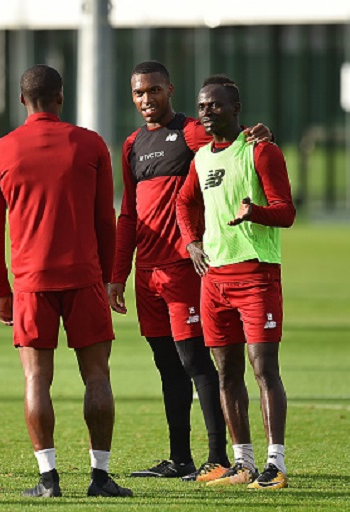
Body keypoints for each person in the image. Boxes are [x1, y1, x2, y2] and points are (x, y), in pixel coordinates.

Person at [108, 61, 270, 482]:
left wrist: (257, 136)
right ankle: (179, 457)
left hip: (184, 270)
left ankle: (217, 457)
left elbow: (230, 142)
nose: (147, 100)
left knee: (197, 363)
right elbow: (128, 214)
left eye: (154, 91)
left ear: (170, 90)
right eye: (139, 93)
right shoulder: (132, 145)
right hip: (147, 274)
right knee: (166, 366)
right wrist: (117, 274)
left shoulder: (192, 132)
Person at [0, 64, 132, 499]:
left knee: (35, 380)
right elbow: (107, 220)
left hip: (30, 283)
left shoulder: (0, 151)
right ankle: (100, 478)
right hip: (84, 278)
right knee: (97, 377)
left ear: (22, 100)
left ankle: (48, 479)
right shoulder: (90, 144)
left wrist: (2, 291)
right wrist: (108, 278)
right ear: (61, 98)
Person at [176, 75, 295, 490]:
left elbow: (286, 212)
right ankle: (242, 462)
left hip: (257, 273)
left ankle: (275, 464)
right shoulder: (202, 158)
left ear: (235, 108)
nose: (207, 113)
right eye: (203, 106)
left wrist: (254, 212)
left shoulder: (261, 151)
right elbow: (185, 200)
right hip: (214, 280)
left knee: (263, 369)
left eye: (216, 106)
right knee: (226, 373)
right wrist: (191, 241)